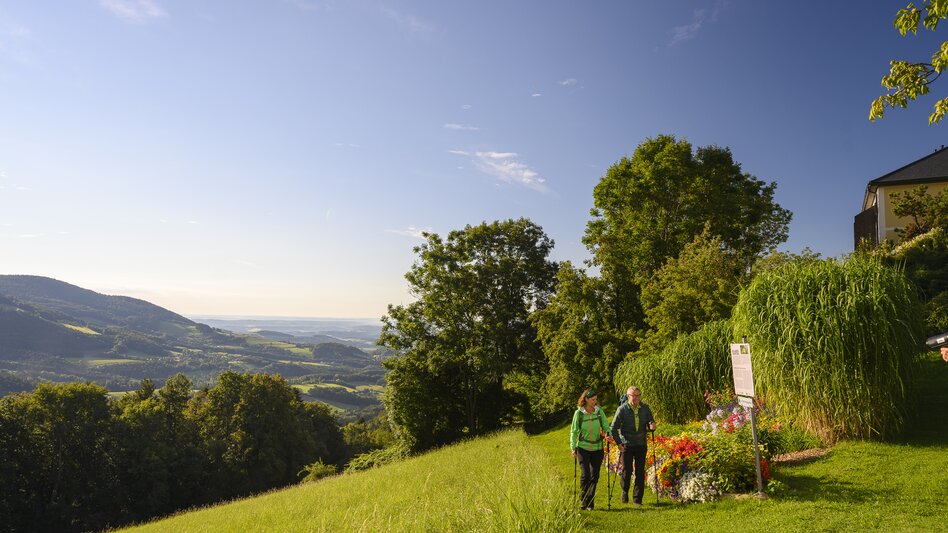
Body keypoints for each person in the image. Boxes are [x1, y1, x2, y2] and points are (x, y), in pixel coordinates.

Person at [610, 386, 656, 506]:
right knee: (627, 470)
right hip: (627, 445)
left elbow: (650, 420)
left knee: (640, 472)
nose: (635, 398)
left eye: (638, 395)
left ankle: (637, 499)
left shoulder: (645, 408)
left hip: (641, 443)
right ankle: (625, 490)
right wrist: (619, 443)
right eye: (633, 395)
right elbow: (613, 428)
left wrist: (652, 425)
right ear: (628, 396)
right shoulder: (622, 409)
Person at [570, 388, 610, 510]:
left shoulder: (599, 412)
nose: (595, 402)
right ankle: (584, 499)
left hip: (598, 448)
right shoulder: (579, 413)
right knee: (585, 475)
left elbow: (605, 426)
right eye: (592, 400)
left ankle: (590, 501)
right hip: (583, 448)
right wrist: (573, 448)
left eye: (596, 399)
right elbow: (574, 431)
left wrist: (608, 433)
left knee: (595, 476)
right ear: (586, 399)